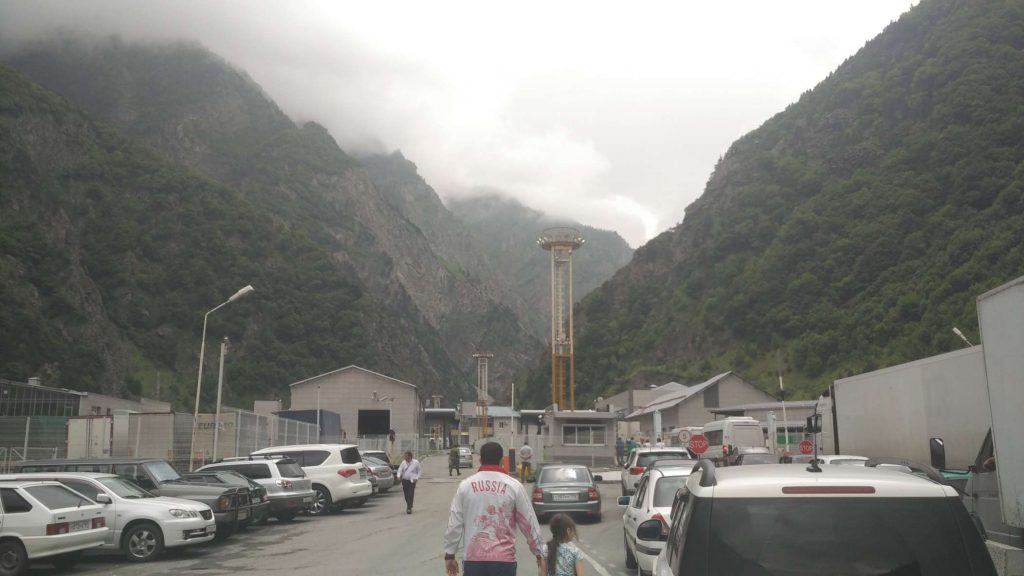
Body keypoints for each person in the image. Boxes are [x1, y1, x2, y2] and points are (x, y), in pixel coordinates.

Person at [443, 441, 547, 576]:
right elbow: (529, 522)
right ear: (500, 460)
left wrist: (450, 555)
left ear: (480, 460)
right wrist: (539, 553)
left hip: (473, 561)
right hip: (504, 562)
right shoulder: (514, 486)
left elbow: (454, 523)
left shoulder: (465, 486)